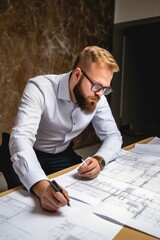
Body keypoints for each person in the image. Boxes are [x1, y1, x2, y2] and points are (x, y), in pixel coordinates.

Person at [9, 45, 122, 212]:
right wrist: (41, 187)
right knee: (25, 205)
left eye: (105, 89)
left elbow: (113, 136)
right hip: (29, 151)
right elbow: (21, 138)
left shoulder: (98, 96)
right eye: (97, 86)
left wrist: (100, 160)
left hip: (63, 153)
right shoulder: (39, 87)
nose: (100, 94)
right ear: (77, 74)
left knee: (80, 198)